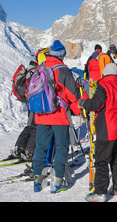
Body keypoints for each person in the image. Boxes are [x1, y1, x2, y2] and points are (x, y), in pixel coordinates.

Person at [78, 63, 117, 202]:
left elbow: (95, 105)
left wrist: (83, 103)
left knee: (101, 160)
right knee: (116, 158)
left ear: (105, 74)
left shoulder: (103, 86)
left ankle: (100, 193)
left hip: (107, 129)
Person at [33, 40, 83, 194]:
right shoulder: (63, 70)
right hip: (59, 114)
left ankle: (38, 181)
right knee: (61, 147)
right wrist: (79, 110)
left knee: (40, 147)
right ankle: (58, 181)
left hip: (41, 114)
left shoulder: (40, 67)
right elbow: (73, 95)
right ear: (62, 55)